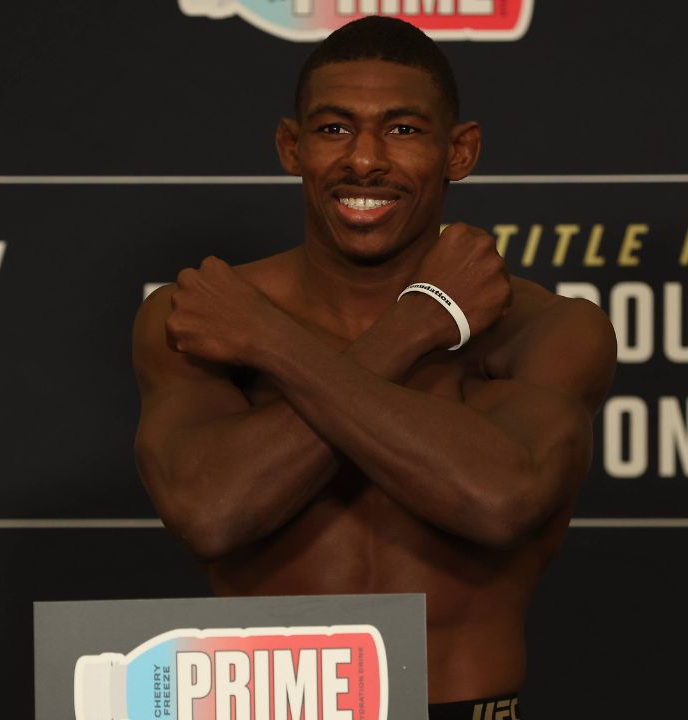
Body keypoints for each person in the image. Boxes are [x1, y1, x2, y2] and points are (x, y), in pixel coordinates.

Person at [132, 16, 616, 719]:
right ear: (290, 147)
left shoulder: (546, 328)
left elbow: (498, 500)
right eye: (333, 130)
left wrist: (276, 342)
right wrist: (420, 324)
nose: (364, 161)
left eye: (403, 130)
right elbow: (213, 512)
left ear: (461, 151)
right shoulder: (199, 318)